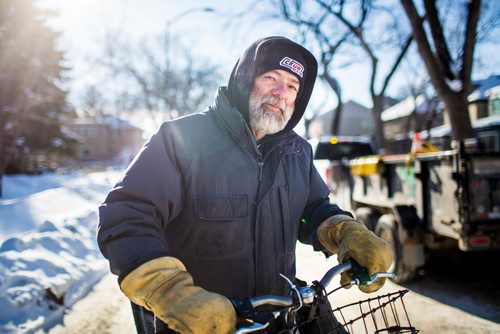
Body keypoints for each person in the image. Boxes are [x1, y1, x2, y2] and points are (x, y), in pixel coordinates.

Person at [97, 36, 392, 334]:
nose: (281, 94)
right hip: (199, 325)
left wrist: (344, 230)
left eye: (292, 86)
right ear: (244, 81)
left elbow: (313, 209)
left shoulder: (297, 152)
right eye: (271, 78)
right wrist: (168, 290)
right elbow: (127, 214)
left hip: (278, 322)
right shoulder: (181, 138)